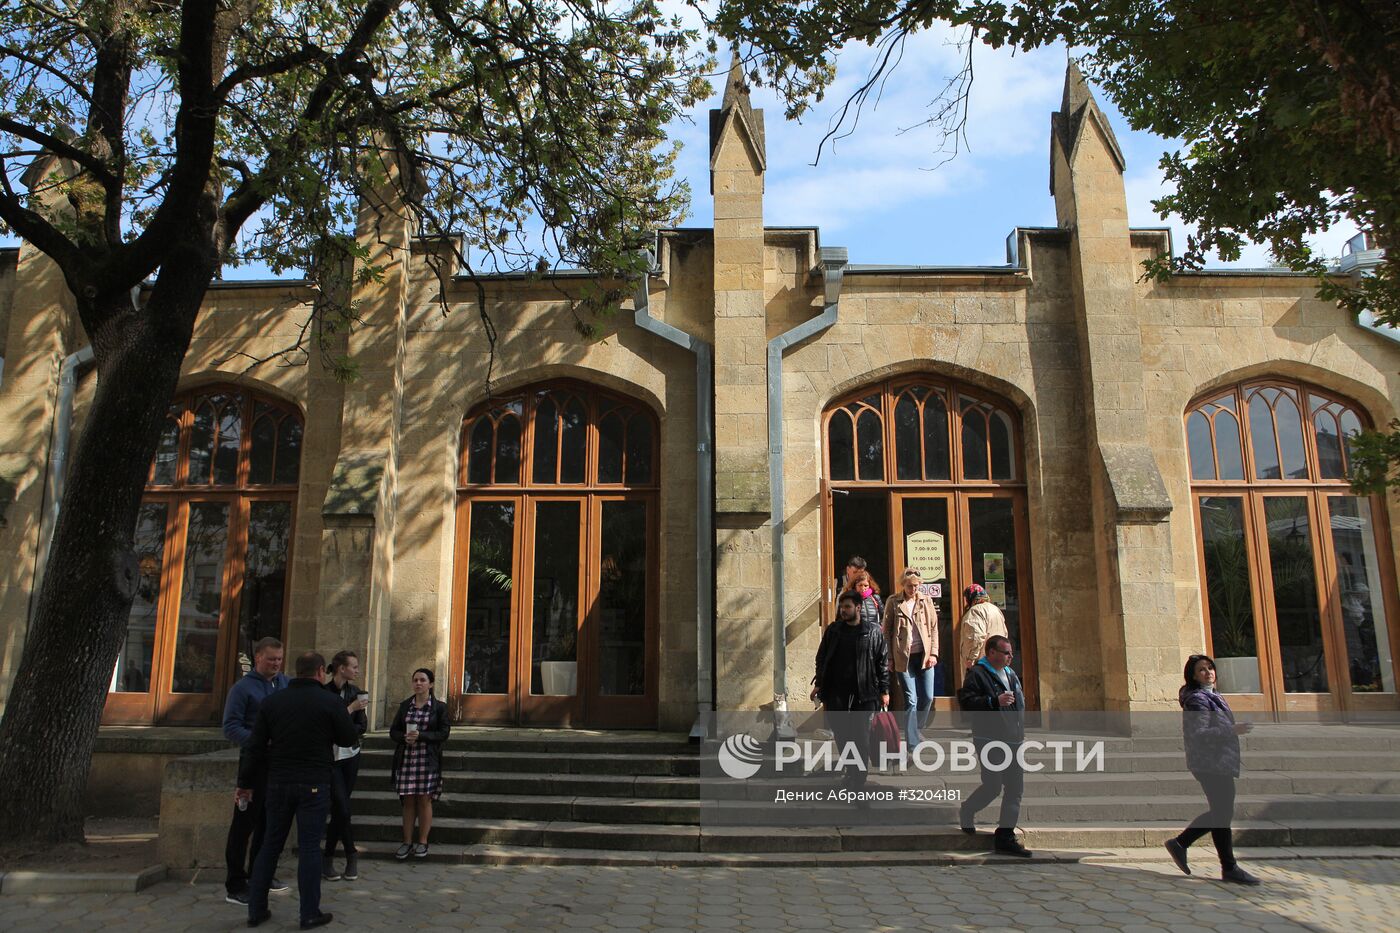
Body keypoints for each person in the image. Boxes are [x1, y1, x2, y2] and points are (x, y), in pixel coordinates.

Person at [239, 651, 358, 930]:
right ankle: (308, 913)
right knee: (309, 849)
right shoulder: (330, 702)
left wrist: (244, 783)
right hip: (314, 782)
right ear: (319, 671)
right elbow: (347, 738)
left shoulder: (272, 702)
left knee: (270, 845)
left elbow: (254, 746)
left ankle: (256, 910)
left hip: (278, 782)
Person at [1165, 654, 1261, 885]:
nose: (1208, 672)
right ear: (1193, 675)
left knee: (1221, 813)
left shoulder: (1212, 695)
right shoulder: (1197, 700)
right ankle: (1223, 864)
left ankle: (1187, 846)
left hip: (1219, 762)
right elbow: (1199, 734)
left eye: (1210, 668)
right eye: (1202, 670)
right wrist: (1232, 730)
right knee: (1222, 813)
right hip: (1210, 763)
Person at [221, 636, 289, 906]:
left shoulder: (285, 683)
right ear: (258, 657)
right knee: (244, 826)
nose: (276, 664)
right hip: (253, 765)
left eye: (279, 659)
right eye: (271, 659)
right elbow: (230, 726)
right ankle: (235, 883)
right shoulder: (242, 689)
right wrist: (258, 740)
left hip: (279, 765)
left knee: (269, 824)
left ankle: (261, 874)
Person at [956, 634, 1030, 857]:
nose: (1010, 657)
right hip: (989, 739)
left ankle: (1005, 835)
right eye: (1005, 652)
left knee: (1015, 788)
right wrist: (992, 702)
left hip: (1013, 738)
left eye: (1011, 652)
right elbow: (966, 703)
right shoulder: (977, 674)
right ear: (991, 653)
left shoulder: (1011, 674)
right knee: (993, 785)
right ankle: (968, 809)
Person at [811, 590, 890, 790]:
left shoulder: (872, 631)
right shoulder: (834, 630)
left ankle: (858, 778)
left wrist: (884, 690)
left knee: (861, 736)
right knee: (842, 734)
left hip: (864, 693)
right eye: (841, 607)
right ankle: (851, 770)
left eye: (847, 607)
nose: (843, 610)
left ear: (858, 607)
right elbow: (822, 659)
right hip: (836, 692)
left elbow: (882, 663)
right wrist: (819, 683)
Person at [390, 667, 451, 858]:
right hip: (407, 758)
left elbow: (444, 733)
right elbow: (394, 731)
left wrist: (422, 736)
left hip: (427, 758)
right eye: (415, 680)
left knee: (424, 799)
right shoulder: (405, 706)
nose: (418, 683)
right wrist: (403, 738)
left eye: (422, 680)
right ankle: (407, 842)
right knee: (408, 800)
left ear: (430, 684)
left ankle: (423, 841)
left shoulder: (439, 707)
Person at [322, 650, 370, 882]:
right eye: (354, 666)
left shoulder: (356, 692)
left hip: (350, 755)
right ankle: (350, 853)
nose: (357, 670)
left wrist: (346, 730)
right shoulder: (324, 692)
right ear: (342, 668)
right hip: (329, 758)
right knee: (341, 805)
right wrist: (349, 710)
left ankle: (329, 857)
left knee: (342, 807)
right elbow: (325, 724)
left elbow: (362, 726)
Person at [883, 568, 939, 747]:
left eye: (916, 586)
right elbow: (887, 632)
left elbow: (934, 628)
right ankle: (912, 743)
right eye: (909, 586)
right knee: (911, 700)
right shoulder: (893, 602)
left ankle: (917, 728)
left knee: (928, 697)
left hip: (924, 657)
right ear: (903, 585)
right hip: (903, 657)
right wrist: (889, 658)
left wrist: (933, 653)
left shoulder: (926, 600)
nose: (913, 589)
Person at [958, 583, 1009, 673]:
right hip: (997, 659)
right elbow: (1005, 633)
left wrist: (970, 659)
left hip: (982, 662)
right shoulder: (995, 609)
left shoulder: (975, 611)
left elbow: (975, 637)